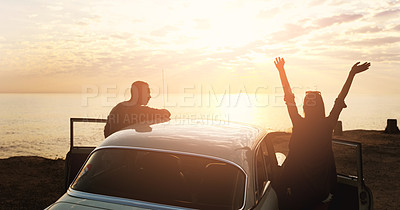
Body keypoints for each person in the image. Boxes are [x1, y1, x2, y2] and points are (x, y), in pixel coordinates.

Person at [273, 57, 370, 209]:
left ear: (305, 106)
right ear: (321, 106)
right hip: (322, 196)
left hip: (299, 194)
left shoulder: (299, 123)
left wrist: (281, 71)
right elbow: (340, 99)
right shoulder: (327, 125)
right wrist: (352, 74)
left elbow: (289, 98)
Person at [104, 81, 171, 138]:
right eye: (147, 92)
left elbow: (106, 132)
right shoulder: (140, 111)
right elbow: (166, 113)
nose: (149, 96)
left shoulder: (118, 107)